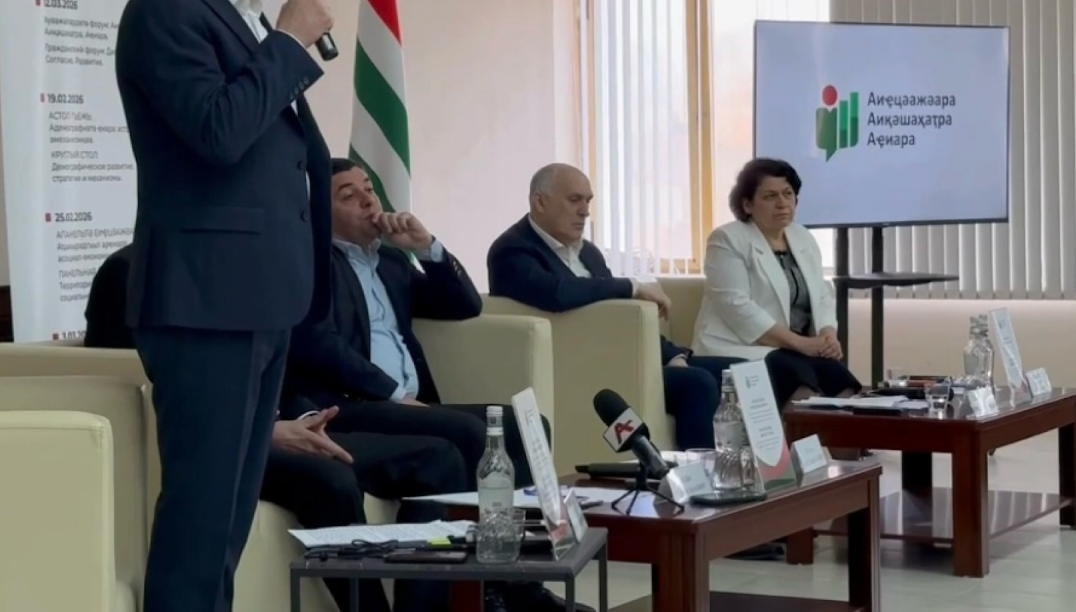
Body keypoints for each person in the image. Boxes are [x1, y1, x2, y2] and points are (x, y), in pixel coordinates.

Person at [114, 0, 335, 612]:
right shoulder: (164, 8)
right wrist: (288, 43)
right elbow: (217, 131)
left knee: (229, 525)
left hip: (259, 297)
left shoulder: (242, 15)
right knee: (201, 523)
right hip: (204, 302)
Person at [82, 244, 471, 612]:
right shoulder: (133, 271)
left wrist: (302, 420)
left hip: (286, 421)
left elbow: (279, 369)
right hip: (220, 440)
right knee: (331, 479)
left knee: (439, 459)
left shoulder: (249, 265)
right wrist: (267, 431)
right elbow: (148, 382)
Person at [288, 159, 588, 612]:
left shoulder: (390, 261)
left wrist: (427, 248)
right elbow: (319, 344)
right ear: (319, 212)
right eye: (349, 196)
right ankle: (494, 588)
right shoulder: (312, 264)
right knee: (472, 434)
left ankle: (520, 582)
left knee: (528, 426)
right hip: (352, 404)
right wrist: (392, 393)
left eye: (369, 189)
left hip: (408, 402)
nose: (368, 201)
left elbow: (463, 305)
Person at [486, 163, 741, 451]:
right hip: (580, 370)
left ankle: (751, 468)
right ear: (540, 202)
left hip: (620, 358)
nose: (585, 211)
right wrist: (632, 286)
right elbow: (558, 293)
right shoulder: (512, 251)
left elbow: (617, 318)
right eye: (574, 200)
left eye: (588, 201)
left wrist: (672, 355)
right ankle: (701, 473)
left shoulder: (588, 253)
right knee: (697, 383)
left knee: (739, 372)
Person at [691, 157, 861, 409]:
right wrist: (801, 344)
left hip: (793, 349)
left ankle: (837, 437)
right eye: (770, 196)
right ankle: (794, 437)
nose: (782, 203)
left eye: (787, 194)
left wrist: (828, 335)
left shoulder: (802, 236)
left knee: (842, 382)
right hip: (738, 347)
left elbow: (822, 295)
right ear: (747, 204)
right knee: (798, 380)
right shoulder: (727, 239)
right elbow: (736, 306)